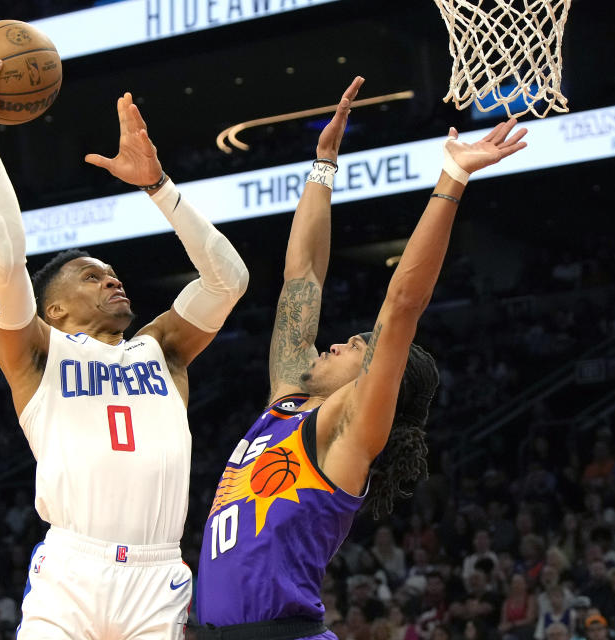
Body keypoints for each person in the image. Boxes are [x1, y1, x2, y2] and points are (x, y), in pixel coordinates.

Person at [194, 76, 528, 639]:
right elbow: (303, 273)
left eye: (361, 348)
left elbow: (400, 306)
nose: (344, 340)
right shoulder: (289, 403)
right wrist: (323, 165)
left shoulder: (347, 431)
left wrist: (453, 176)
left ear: (381, 384)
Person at [0, 44, 249, 639]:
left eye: (112, 273)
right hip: (71, 570)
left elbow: (229, 280)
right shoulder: (37, 353)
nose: (112, 279)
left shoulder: (160, 348)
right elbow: (4, 263)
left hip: (157, 573)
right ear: (53, 307)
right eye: (91, 275)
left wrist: (159, 186)